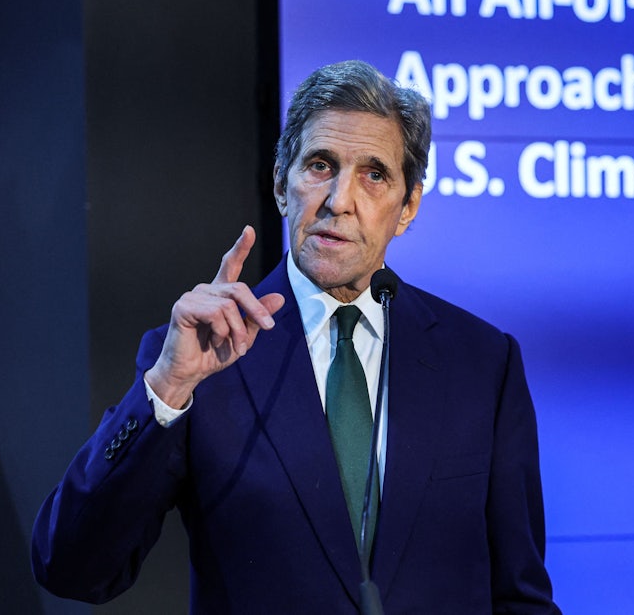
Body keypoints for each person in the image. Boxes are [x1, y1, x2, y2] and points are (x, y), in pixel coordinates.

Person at [32, 60, 560, 614]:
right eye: (320, 165)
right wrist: (166, 388)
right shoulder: (201, 356)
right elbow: (72, 568)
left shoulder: (481, 363)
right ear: (282, 184)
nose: (339, 200)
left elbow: (519, 597)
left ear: (407, 208)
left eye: (374, 174)